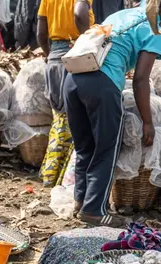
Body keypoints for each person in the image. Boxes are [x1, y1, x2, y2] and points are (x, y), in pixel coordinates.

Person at [62, 3, 161, 227]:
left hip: (72, 78)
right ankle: (95, 211)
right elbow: (141, 80)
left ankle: (81, 202)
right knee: (107, 148)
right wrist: (147, 122)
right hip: (101, 84)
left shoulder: (122, 15)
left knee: (85, 147)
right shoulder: (155, 28)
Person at [37, 0, 92, 188]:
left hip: (54, 58)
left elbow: (41, 33)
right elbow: (79, 14)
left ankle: (50, 173)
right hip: (75, 55)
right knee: (76, 121)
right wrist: (87, 43)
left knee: (59, 119)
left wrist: (49, 54)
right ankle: (66, 179)